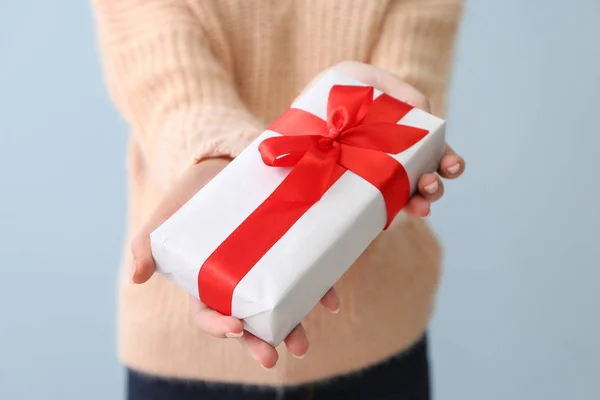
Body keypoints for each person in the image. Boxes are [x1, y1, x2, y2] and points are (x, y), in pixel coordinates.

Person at [92, 0, 465, 398]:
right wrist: (220, 161)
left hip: (376, 341)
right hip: (181, 358)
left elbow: (410, 113)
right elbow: (169, 84)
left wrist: (383, 175)